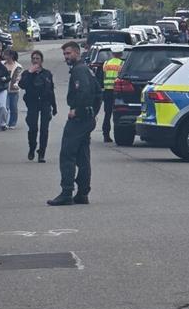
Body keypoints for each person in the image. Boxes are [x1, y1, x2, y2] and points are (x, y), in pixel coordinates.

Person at [47, 42, 97, 206]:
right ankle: (82, 193)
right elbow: (98, 92)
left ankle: (66, 192)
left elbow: (84, 92)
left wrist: (79, 111)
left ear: (77, 52)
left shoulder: (79, 70)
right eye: (64, 54)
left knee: (67, 155)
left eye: (68, 54)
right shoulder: (86, 69)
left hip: (79, 120)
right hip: (87, 119)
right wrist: (92, 114)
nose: (66, 57)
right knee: (83, 157)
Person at [19, 50, 57, 163]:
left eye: (37, 59)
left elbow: (51, 90)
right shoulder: (27, 73)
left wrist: (54, 106)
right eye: (34, 58)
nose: (35, 60)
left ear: (41, 60)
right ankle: (32, 147)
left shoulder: (47, 73)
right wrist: (30, 73)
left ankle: (42, 152)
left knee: (44, 129)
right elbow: (22, 85)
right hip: (33, 103)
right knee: (33, 128)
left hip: (45, 102)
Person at [101, 45, 124, 143]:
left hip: (107, 91)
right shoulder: (122, 64)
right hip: (118, 92)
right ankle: (118, 135)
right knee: (117, 114)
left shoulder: (106, 63)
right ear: (121, 53)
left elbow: (102, 76)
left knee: (107, 114)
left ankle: (106, 135)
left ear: (112, 53)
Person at [3, 49, 22, 129]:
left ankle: (12, 123)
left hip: (14, 89)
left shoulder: (18, 66)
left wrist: (16, 83)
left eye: (6, 55)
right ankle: (5, 122)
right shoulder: (2, 64)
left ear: (11, 56)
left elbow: (19, 77)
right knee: (5, 107)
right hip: (4, 89)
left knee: (13, 107)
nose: (4, 56)